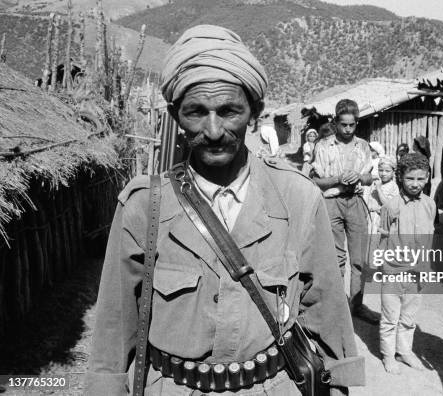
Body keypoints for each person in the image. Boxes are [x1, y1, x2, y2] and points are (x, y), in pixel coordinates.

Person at [85, 25, 364, 396]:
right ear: (175, 115)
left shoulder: (298, 198)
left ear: (254, 113)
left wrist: (342, 383)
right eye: (197, 112)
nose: (214, 130)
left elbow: (327, 313)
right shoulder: (143, 207)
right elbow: (112, 330)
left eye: (229, 111)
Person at [312, 99, 377, 324]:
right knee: (336, 258)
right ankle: (337, 306)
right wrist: (337, 178)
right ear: (335, 123)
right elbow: (315, 181)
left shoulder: (363, 146)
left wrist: (359, 176)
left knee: (359, 259)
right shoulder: (322, 146)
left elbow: (370, 177)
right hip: (331, 204)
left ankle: (357, 306)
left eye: (352, 125)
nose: (348, 129)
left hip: (356, 202)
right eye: (344, 125)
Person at [377, 153, 435, 374]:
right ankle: (388, 355)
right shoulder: (391, 207)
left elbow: (430, 237)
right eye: (410, 178)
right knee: (390, 317)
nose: (415, 184)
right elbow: (382, 239)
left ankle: (404, 351)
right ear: (400, 177)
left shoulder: (430, 204)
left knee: (409, 317)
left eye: (420, 179)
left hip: (417, 271)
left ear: (428, 177)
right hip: (394, 270)